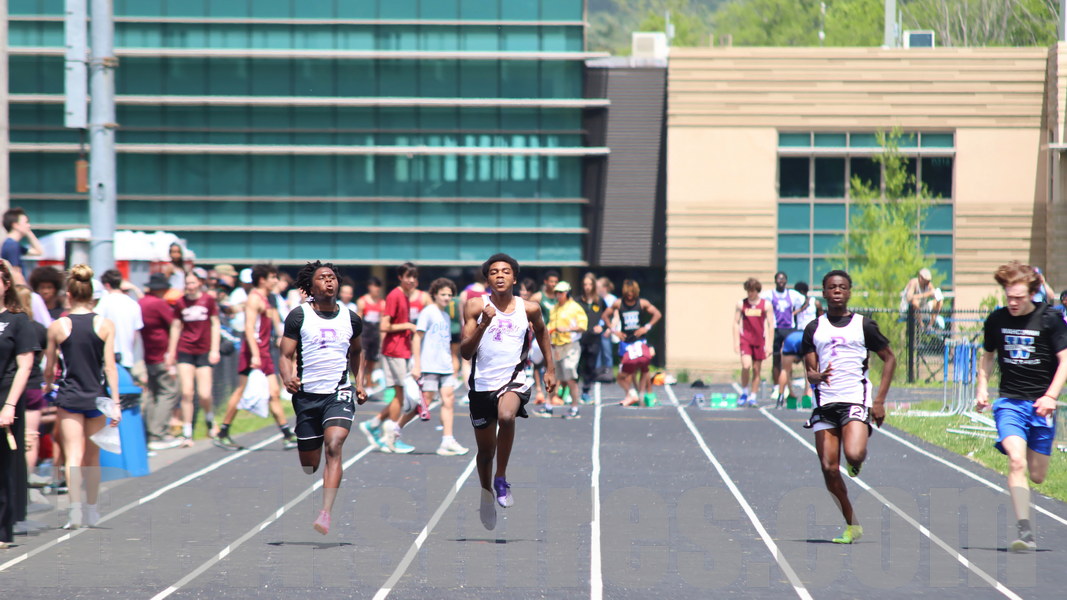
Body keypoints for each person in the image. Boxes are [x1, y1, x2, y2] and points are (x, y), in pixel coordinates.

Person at [975, 261, 1067, 552]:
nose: (1013, 303)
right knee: (1016, 461)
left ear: (1031, 293)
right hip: (1010, 403)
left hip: (1041, 405)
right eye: (1009, 297)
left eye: (1019, 297)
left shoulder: (1050, 318)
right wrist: (982, 388)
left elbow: (1065, 360)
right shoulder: (997, 319)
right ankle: (1025, 530)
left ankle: (1032, 446)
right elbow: (987, 355)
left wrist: (1051, 396)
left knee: (1037, 475)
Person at [460, 253, 554, 529]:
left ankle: (501, 478)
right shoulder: (475, 306)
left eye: (505, 271)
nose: (499, 275)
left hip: (514, 379)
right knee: (485, 451)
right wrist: (483, 324)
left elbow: (542, 332)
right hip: (481, 386)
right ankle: (486, 493)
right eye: (493, 272)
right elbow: (465, 352)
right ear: (487, 279)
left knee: (507, 416)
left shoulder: (530, 308)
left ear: (514, 278)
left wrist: (551, 369)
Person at [802, 269, 895, 545]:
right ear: (824, 292)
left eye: (842, 287)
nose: (837, 291)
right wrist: (815, 376)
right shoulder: (814, 328)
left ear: (849, 292)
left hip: (855, 399)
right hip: (825, 403)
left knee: (853, 453)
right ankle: (852, 524)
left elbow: (889, 358)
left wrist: (879, 401)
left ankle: (856, 456)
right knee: (829, 468)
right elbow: (810, 370)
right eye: (832, 287)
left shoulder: (863, 325)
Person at [278, 261, 367, 535]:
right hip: (307, 396)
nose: (328, 281)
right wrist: (287, 377)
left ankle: (325, 512)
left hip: (339, 392)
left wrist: (360, 383)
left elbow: (357, 352)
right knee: (310, 464)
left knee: (334, 445)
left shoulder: (351, 318)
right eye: (322, 277)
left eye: (332, 277)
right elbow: (285, 355)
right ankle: (309, 446)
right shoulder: (299, 316)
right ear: (311, 286)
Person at [42, 265, 121, 530]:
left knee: (73, 456)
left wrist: (48, 385)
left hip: (70, 396)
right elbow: (110, 367)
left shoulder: (58, 326)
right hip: (96, 396)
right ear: (91, 295)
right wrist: (116, 403)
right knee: (93, 458)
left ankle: (74, 512)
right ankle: (92, 509)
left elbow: (50, 367)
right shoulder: (105, 324)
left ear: (69, 294)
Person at [214, 264, 298, 451]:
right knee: (241, 390)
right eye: (272, 277)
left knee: (274, 393)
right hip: (254, 351)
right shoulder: (254, 298)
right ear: (262, 280)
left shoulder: (267, 297)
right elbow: (249, 328)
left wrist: (280, 338)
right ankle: (222, 432)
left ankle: (287, 435)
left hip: (264, 350)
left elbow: (273, 321)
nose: (276, 281)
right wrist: (255, 355)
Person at [359, 263, 419, 454]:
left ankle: (373, 423)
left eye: (414, 277)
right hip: (395, 351)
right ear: (400, 277)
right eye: (408, 276)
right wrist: (407, 325)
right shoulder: (395, 296)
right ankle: (391, 437)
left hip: (401, 351)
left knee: (400, 395)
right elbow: (384, 326)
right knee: (401, 396)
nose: (412, 280)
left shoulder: (405, 296)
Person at [0, 264, 39, 547]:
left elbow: (25, 366)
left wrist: (9, 405)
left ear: (6, 285)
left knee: (3, 466)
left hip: (5, 396)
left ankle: (2, 528)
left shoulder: (18, 321)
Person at [411, 277, 469, 456]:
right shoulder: (428, 312)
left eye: (449, 295)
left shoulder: (446, 316)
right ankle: (395, 428)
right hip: (429, 365)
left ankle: (447, 440)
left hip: (445, 366)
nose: (446, 298)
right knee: (425, 401)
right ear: (435, 294)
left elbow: (446, 343)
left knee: (448, 400)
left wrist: (452, 363)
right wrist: (417, 365)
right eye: (443, 294)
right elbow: (417, 338)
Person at [167, 270, 221, 446]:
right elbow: (176, 327)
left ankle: (210, 420)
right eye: (187, 283)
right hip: (185, 350)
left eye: (192, 283)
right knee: (187, 392)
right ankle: (187, 432)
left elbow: (215, 324)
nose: (189, 286)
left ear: (199, 283)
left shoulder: (208, 300)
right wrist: (171, 352)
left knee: (204, 393)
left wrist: (214, 349)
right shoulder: (180, 302)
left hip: (204, 350)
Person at [602, 279, 662, 406]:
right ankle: (632, 394)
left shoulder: (642, 303)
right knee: (628, 371)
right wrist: (614, 331)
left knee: (644, 368)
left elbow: (657, 314)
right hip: (625, 341)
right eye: (627, 293)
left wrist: (646, 327)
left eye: (632, 293)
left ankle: (644, 394)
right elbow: (605, 315)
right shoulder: (619, 303)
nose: (630, 296)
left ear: (636, 292)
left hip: (639, 340)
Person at [139, 273, 180, 449]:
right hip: (162, 354)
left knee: (153, 394)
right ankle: (158, 433)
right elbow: (175, 324)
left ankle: (149, 432)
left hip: (148, 354)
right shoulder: (158, 304)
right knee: (169, 392)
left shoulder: (141, 303)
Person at [15, 286, 49, 483]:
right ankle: (26, 481)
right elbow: (42, 355)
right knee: (30, 436)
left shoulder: (10, 325)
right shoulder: (39, 328)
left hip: (12, 385)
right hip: (34, 384)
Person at [543, 280, 587, 419]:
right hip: (556, 346)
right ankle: (548, 406)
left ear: (567, 293)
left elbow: (583, 326)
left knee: (570, 376)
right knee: (553, 376)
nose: (558, 295)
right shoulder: (554, 308)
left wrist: (567, 329)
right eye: (556, 292)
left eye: (561, 292)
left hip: (570, 346)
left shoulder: (575, 307)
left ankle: (574, 408)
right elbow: (550, 325)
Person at [777, 282, 821, 408]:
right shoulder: (815, 302)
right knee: (810, 368)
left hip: (793, 336)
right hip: (810, 336)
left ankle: (785, 395)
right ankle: (808, 393)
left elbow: (787, 319)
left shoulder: (793, 303)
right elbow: (822, 319)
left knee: (785, 369)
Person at [762, 271, 806, 389]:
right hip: (776, 329)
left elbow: (805, 300)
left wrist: (797, 311)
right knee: (776, 358)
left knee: (788, 359)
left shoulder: (792, 294)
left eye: (783, 279)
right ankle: (776, 386)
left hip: (789, 330)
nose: (781, 281)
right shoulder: (769, 294)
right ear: (775, 280)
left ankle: (787, 386)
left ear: (786, 281)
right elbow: (759, 301)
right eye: (779, 279)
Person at [733, 278, 772, 407]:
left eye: (752, 291)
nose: (750, 293)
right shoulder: (741, 304)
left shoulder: (766, 305)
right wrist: (736, 342)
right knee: (746, 365)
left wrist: (769, 345)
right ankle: (744, 392)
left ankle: (753, 396)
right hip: (746, 340)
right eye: (748, 291)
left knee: (756, 369)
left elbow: (771, 325)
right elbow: (735, 323)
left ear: (757, 291)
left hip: (759, 340)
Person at [96, 269, 144, 372]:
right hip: (127, 358)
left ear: (107, 285)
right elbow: (135, 334)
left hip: (107, 358)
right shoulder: (133, 304)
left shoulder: (103, 302)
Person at [575, 273, 606, 404]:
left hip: (594, 339)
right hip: (579, 338)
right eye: (585, 284)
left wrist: (602, 326)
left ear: (593, 286)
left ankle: (586, 391)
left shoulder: (599, 301)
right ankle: (572, 392)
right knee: (575, 366)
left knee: (590, 366)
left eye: (590, 284)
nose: (587, 287)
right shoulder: (577, 301)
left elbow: (607, 315)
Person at [356, 276, 385, 390]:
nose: (376, 289)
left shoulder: (382, 303)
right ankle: (361, 381)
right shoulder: (362, 301)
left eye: (378, 287)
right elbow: (359, 318)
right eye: (375, 286)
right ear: (369, 287)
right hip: (365, 332)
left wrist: (382, 339)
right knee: (363, 359)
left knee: (372, 360)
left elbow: (382, 322)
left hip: (375, 333)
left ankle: (369, 382)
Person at [1, 208, 44, 280]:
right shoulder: (11, 245)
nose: (29, 225)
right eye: (26, 222)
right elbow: (15, 271)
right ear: (15, 225)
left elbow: (38, 252)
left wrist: (29, 233)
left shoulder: (14, 244)